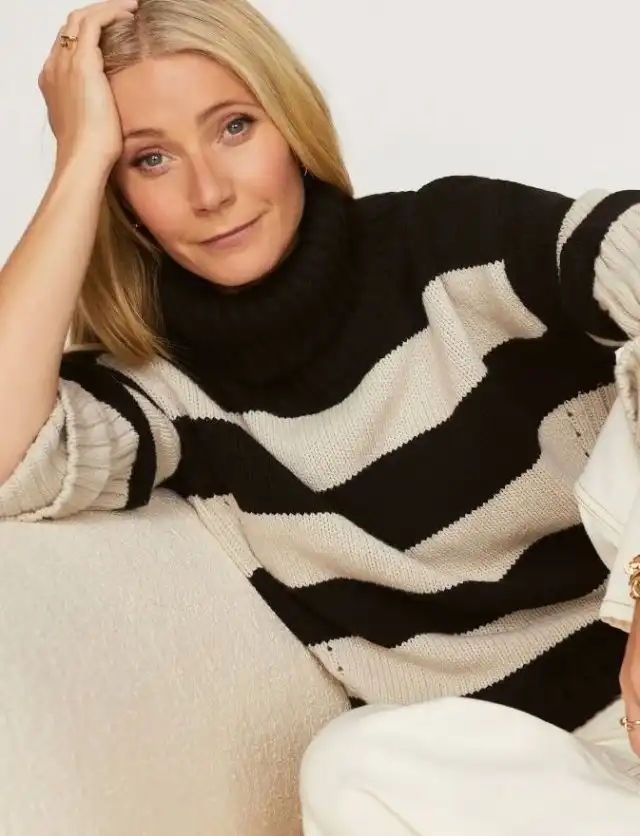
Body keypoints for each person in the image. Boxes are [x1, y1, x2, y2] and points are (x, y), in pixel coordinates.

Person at [1, 0, 640, 831]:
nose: (209, 192)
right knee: (351, 763)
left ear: (291, 123)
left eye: (234, 127)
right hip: (527, 782)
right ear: (120, 197)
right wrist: (77, 159)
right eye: (150, 159)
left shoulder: (450, 245)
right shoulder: (166, 391)